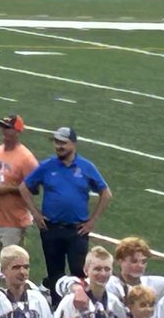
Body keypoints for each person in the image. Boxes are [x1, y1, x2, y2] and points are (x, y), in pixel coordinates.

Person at [19, 126, 112, 303]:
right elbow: (24, 187)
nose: (59, 146)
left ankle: (82, 305)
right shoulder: (47, 166)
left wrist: (92, 221)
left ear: (73, 144)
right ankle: (57, 306)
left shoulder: (86, 167)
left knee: (79, 271)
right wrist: (36, 214)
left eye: (63, 142)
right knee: (55, 272)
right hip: (51, 228)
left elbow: (106, 193)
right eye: (56, 142)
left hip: (77, 230)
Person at [0, 114, 38, 292]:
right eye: (2, 127)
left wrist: (8, 189)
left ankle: (14, 293)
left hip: (13, 220)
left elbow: (34, 188)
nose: (3, 131)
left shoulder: (26, 158)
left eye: (7, 128)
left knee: (14, 262)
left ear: (18, 131)